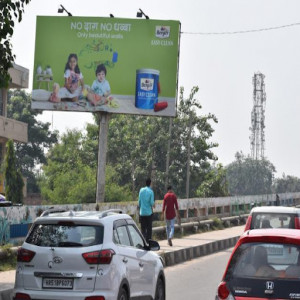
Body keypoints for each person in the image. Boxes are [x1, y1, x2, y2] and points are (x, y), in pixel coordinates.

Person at [138, 178, 155, 242]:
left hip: (142, 213)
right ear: (150, 183)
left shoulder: (141, 190)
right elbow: (151, 203)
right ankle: (148, 241)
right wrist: (154, 205)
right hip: (148, 213)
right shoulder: (151, 191)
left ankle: (143, 241)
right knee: (149, 228)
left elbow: (139, 202)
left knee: (143, 229)